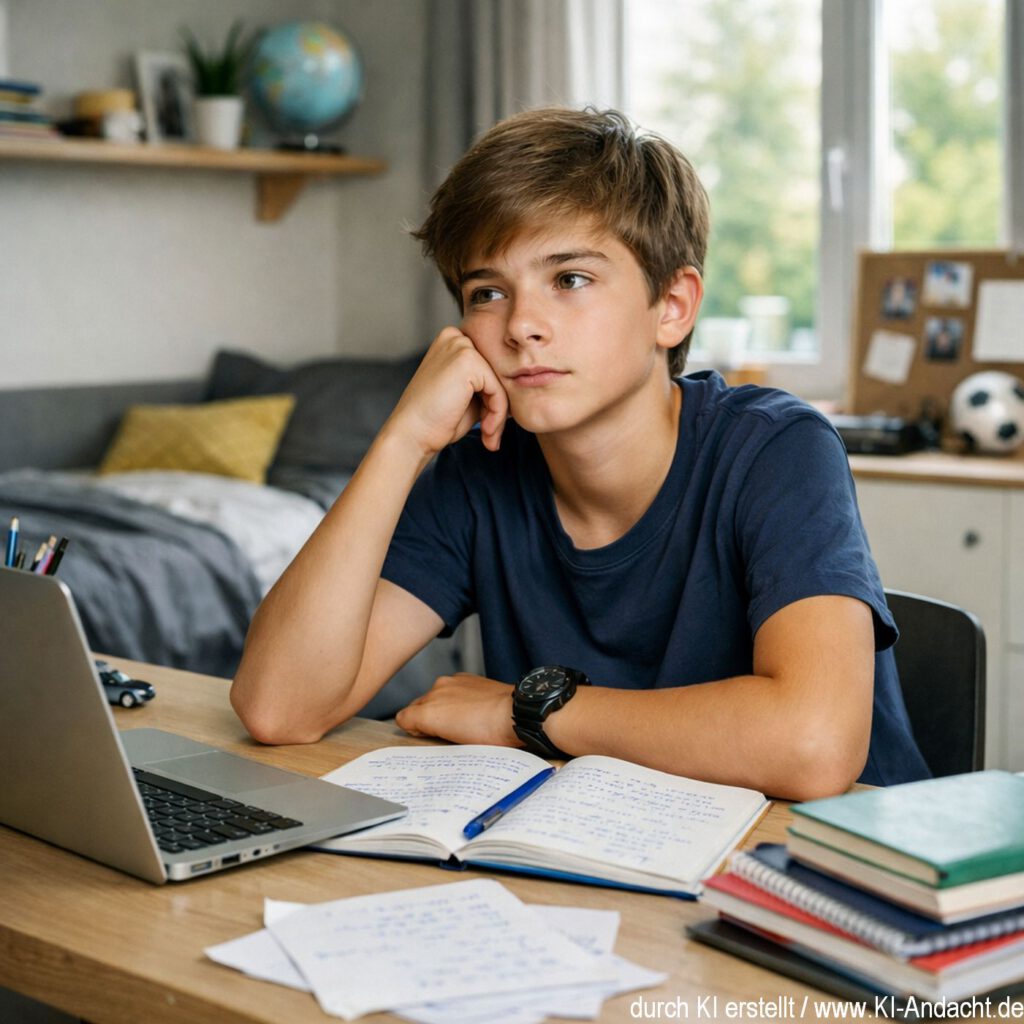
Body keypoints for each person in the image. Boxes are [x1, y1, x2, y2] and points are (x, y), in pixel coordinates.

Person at [230, 107, 929, 799]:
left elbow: (811, 745)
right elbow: (278, 707)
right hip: (612, 859)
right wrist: (402, 440)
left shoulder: (776, 448)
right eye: (487, 292)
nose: (521, 326)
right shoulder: (480, 472)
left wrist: (523, 712)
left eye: (569, 279)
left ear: (673, 306)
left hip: (835, 876)